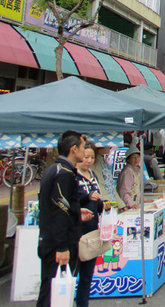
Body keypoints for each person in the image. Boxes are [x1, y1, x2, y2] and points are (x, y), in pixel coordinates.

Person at [37, 130, 94, 307]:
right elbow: (59, 212)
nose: (85, 152)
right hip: (57, 244)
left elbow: (64, 207)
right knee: (52, 294)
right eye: (83, 147)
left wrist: (78, 212)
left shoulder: (57, 170)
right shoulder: (63, 173)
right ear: (73, 149)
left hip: (53, 241)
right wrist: (62, 247)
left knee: (52, 291)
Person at [75, 142, 109, 307]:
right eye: (85, 157)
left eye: (92, 157)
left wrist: (103, 205)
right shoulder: (72, 176)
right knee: (69, 273)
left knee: (87, 275)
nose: (88, 160)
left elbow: (98, 200)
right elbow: (71, 201)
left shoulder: (93, 175)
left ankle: (83, 304)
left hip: (93, 231)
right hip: (76, 232)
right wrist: (87, 197)